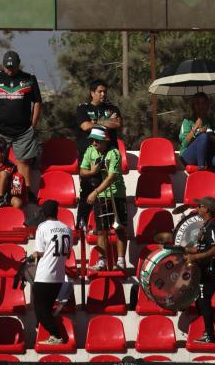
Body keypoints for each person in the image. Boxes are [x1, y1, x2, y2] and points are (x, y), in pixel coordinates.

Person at [0, 49, 42, 189]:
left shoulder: (29, 78)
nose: (10, 70)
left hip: (24, 131)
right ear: (2, 65)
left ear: (18, 64)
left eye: (12, 67)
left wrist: (33, 125)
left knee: (23, 163)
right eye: (7, 67)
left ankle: (25, 193)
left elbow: (37, 102)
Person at [79, 126, 128, 271]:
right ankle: (102, 262)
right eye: (93, 140)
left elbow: (112, 177)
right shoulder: (90, 150)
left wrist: (95, 192)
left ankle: (120, 262)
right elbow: (82, 171)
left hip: (116, 194)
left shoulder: (114, 153)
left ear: (105, 141)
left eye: (97, 141)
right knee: (101, 230)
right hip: (101, 196)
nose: (94, 143)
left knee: (119, 228)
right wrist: (92, 171)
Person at [30, 200, 72, 346]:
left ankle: (56, 334)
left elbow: (40, 252)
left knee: (39, 308)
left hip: (44, 274)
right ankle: (47, 333)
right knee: (47, 308)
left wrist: (35, 254)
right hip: (59, 276)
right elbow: (68, 254)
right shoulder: (67, 228)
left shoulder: (42, 227)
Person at [184, 196, 215, 345]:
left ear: (206, 209)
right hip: (205, 271)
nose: (197, 208)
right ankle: (208, 332)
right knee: (202, 301)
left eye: (200, 206)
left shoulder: (213, 226)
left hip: (210, 271)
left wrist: (195, 258)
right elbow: (200, 248)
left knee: (204, 301)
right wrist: (184, 249)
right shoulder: (207, 225)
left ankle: (210, 334)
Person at [179, 92, 215, 186]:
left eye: (203, 103)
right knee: (203, 137)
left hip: (208, 154)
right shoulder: (187, 121)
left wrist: (209, 135)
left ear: (208, 105)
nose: (200, 106)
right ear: (193, 106)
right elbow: (184, 143)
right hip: (189, 155)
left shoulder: (212, 121)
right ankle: (202, 168)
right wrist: (195, 128)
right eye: (197, 103)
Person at [75, 78, 122, 159]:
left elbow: (117, 123)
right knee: (87, 172)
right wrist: (107, 122)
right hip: (87, 151)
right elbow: (85, 126)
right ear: (92, 93)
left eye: (105, 92)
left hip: (109, 152)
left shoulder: (112, 108)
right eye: (100, 91)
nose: (103, 94)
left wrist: (95, 122)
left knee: (111, 172)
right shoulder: (83, 108)